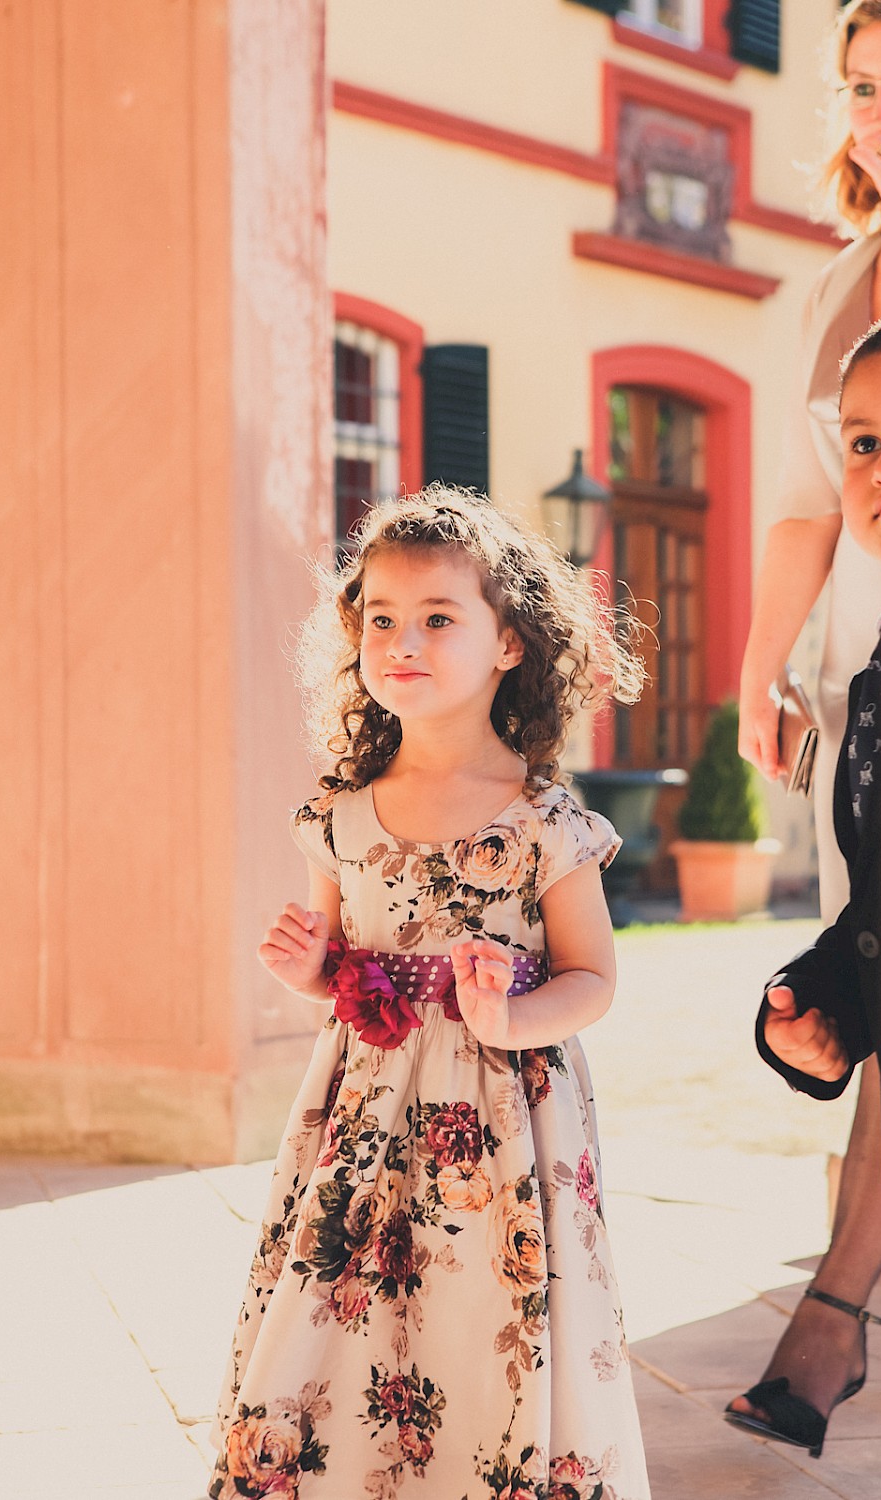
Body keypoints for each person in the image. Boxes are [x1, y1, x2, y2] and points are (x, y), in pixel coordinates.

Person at [208, 488, 651, 1499]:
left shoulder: (543, 820)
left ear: (508, 645)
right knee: (344, 1315)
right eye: (381, 621)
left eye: (438, 619)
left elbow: (592, 979)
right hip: (360, 1123)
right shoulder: (337, 816)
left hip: (503, 1130)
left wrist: (511, 1016)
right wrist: (313, 972)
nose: (402, 640)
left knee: (481, 1317)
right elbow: (352, 968)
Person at [730, 0, 881, 1450]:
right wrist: (762, 667)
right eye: (860, 85)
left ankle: (840, 1313)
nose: (880, 109)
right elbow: (809, 503)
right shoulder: (833, 287)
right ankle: (845, 1311)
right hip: (868, 684)